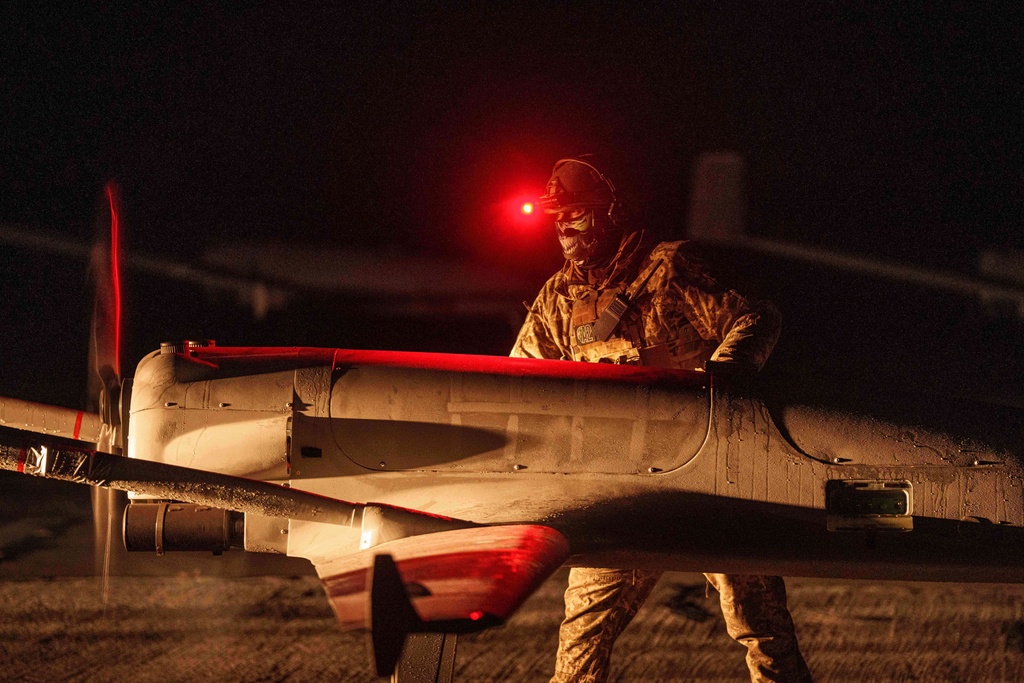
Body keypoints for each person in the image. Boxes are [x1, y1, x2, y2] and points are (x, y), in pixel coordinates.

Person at [510, 155, 812, 683]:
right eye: (557, 217)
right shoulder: (558, 297)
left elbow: (756, 317)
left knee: (758, 625)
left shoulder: (670, 267)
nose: (564, 227)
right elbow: (519, 379)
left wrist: (723, 382)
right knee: (581, 633)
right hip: (624, 482)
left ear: (610, 215)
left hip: (710, 477)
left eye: (578, 214)